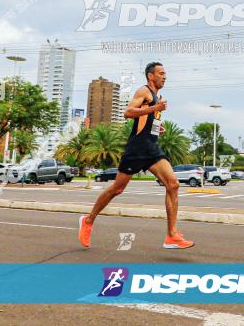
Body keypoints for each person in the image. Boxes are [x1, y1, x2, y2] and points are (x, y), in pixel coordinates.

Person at [78, 62, 194, 249]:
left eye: (165, 73)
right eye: (161, 73)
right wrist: (153, 109)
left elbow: (145, 119)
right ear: (150, 76)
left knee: (173, 184)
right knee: (117, 189)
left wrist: (156, 126)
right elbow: (128, 112)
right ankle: (88, 220)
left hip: (152, 149)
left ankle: (171, 236)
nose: (165, 76)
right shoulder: (144, 91)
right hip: (137, 149)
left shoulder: (157, 97)